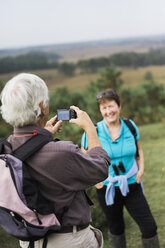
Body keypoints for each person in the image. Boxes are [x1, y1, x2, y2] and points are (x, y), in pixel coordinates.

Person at [0, 73, 110, 248]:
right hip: (70, 241)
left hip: (29, 240)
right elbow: (101, 167)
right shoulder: (62, 152)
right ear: (43, 106)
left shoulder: (4, 150)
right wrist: (90, 127)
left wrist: (41, 137)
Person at [81, 89, 159, 248]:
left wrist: (141, 169)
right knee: (116, 228)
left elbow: (138, 150)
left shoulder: (130, 126)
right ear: (100, 110)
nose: (109, 111)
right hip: (107, 188)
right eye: (104, 108)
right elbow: (83, 159)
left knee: (149, 226)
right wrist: (95, 181)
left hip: (132, 185)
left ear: (119, 106)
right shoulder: (93, 131)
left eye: (111, 106)